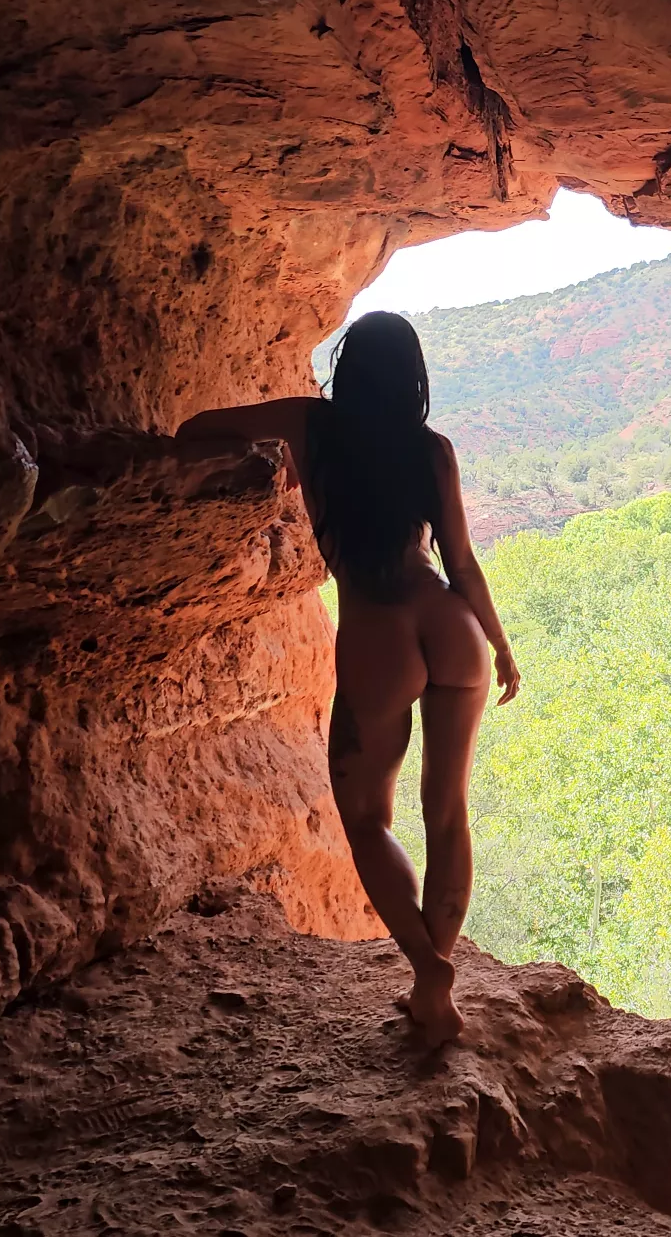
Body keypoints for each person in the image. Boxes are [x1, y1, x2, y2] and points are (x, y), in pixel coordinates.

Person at [176, 311, 520, 1046]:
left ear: (347, 368)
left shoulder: (311, 426)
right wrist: (501, 645)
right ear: (413, 377)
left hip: (377, 635)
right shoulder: (432, 450)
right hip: (451, 625)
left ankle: (428, 970)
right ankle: (431, 986)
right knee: (448, 814)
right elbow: (461, 563)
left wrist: (265, 467)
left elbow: (197, 426)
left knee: (366, 820)